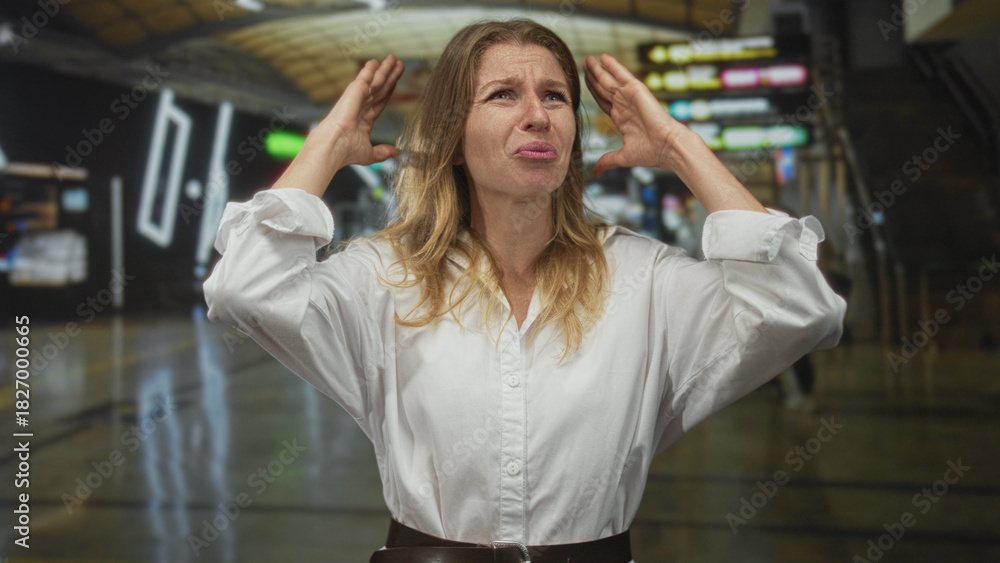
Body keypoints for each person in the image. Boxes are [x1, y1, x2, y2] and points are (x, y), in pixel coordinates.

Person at [204, 19, 846, 563]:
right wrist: (324, 148)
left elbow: (799, 306)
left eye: (557, 97)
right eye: (503, 95)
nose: (537, 115)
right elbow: (245, 287)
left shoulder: (643, 278)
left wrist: (680, 146)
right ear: (453, 136)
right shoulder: (385, 276)